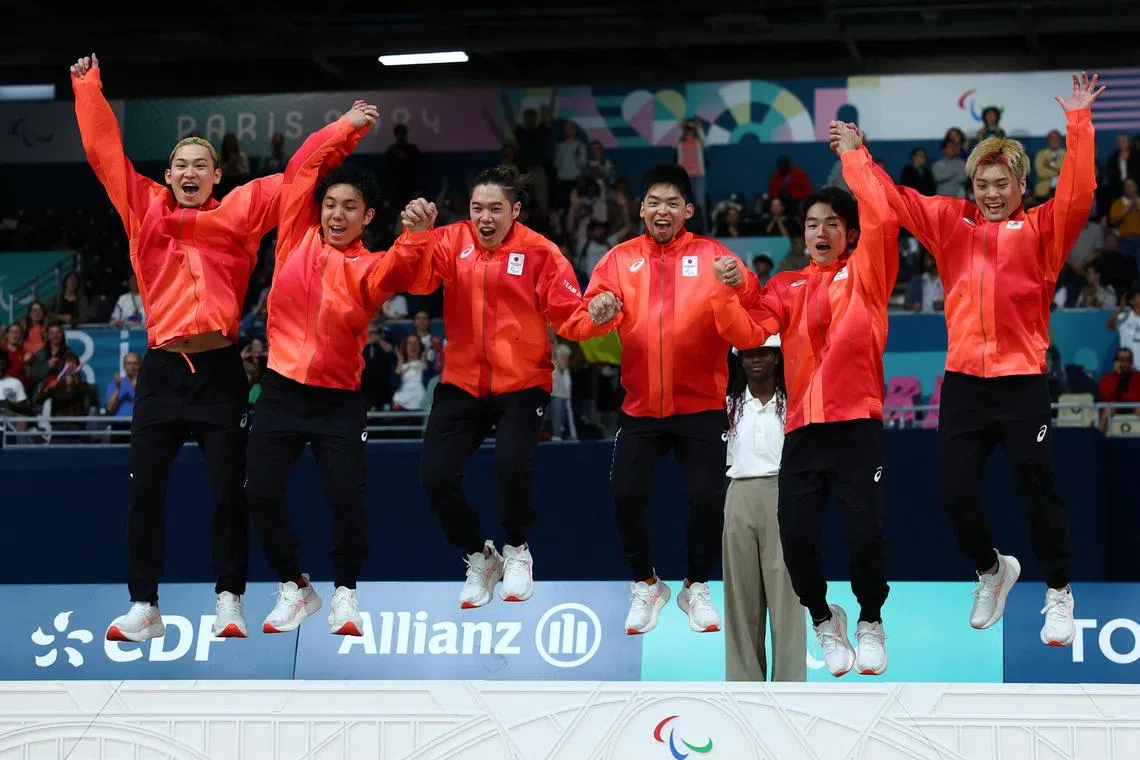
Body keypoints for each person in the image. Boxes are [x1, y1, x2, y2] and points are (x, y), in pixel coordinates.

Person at [843, 72, 1104, 648]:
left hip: (1021, 382)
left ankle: (1058, 590)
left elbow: (1079, 192)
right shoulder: (949, 223)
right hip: (963, 381)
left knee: (1036, 487)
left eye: (1001, 182)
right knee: (954, 493)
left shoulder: (1042, 230)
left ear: (1019, 184)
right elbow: (895, 199)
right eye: (982, 182)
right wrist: (858, 155)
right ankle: (992, 569)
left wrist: (1079, 123)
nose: (990, 193)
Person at [72, 52, 282, 642]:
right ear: (168, 176)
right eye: (180, 165)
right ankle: (145, 606)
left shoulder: (239, 216)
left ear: (218, 177)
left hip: (220, 372)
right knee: (146, 493)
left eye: (202, 165)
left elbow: (296, 181)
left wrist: (342, 133)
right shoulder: (144, 209)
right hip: (164, 372)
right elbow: (103, 152)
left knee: (228, 493)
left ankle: (230, 599)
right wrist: (88, 87)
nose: (190, 172)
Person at [709, 136, 900, 676]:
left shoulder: (868, 275)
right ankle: (823, 619)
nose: (820, 232)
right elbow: (748, 330)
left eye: (831, 223)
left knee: (863, 530)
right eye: (812, 224)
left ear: (850, 233)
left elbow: (884, 217)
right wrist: (727, 292)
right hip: (804, 432)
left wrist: (854, 160)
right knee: (795, 537)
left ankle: (868, 620)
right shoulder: (786, 285)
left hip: (856, 425)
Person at [244, 102, 436, 636]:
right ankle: (295, 587)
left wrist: (418, 232)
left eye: (349, 207)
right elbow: (304, 165)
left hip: (337, 401)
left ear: (367, 217)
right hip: (280, 391)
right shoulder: (294, 239)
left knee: (345, 496)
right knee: (258, 491)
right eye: (330, 204)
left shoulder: (370, 268)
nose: (335, 214)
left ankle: (345, 595)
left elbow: (404, 265)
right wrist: (346, 129)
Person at [402, 165, 608, 609]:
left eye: (496, 208)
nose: (485, 218)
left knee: (511, 465)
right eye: (477, 208)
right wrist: (418, 235)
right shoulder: (451, 240)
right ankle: (481, 557)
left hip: (522, 383)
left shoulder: (541, 252)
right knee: (435, 476)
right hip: (460, 382)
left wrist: (601, 317)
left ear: (515, 210)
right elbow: (417, 282)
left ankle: (517, 550)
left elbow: (570, 317)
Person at [573, 164, 759, 636]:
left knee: (707, 497)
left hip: (701, 407)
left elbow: (752, 297)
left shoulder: (712, 253)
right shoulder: (618, 258)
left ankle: (696, 585)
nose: (662, 210)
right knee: (626, 494)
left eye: (672, 203)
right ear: (641, 209)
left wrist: (738, 280)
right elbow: (589, 313)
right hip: (641, 409)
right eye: (654, 201)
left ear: (688, 211)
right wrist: (598, 311)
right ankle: (646, 584)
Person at [722, 337, 806, 682]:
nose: (755, 360)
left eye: (763, 354)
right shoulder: (728, 404)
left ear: (776, 359)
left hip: (781, 492)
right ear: (739, 360)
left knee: (787, 594)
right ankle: (743, 684)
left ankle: (790, 683)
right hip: (739, 493)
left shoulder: (794, 401)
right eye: (748, 354)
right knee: (741, 597)